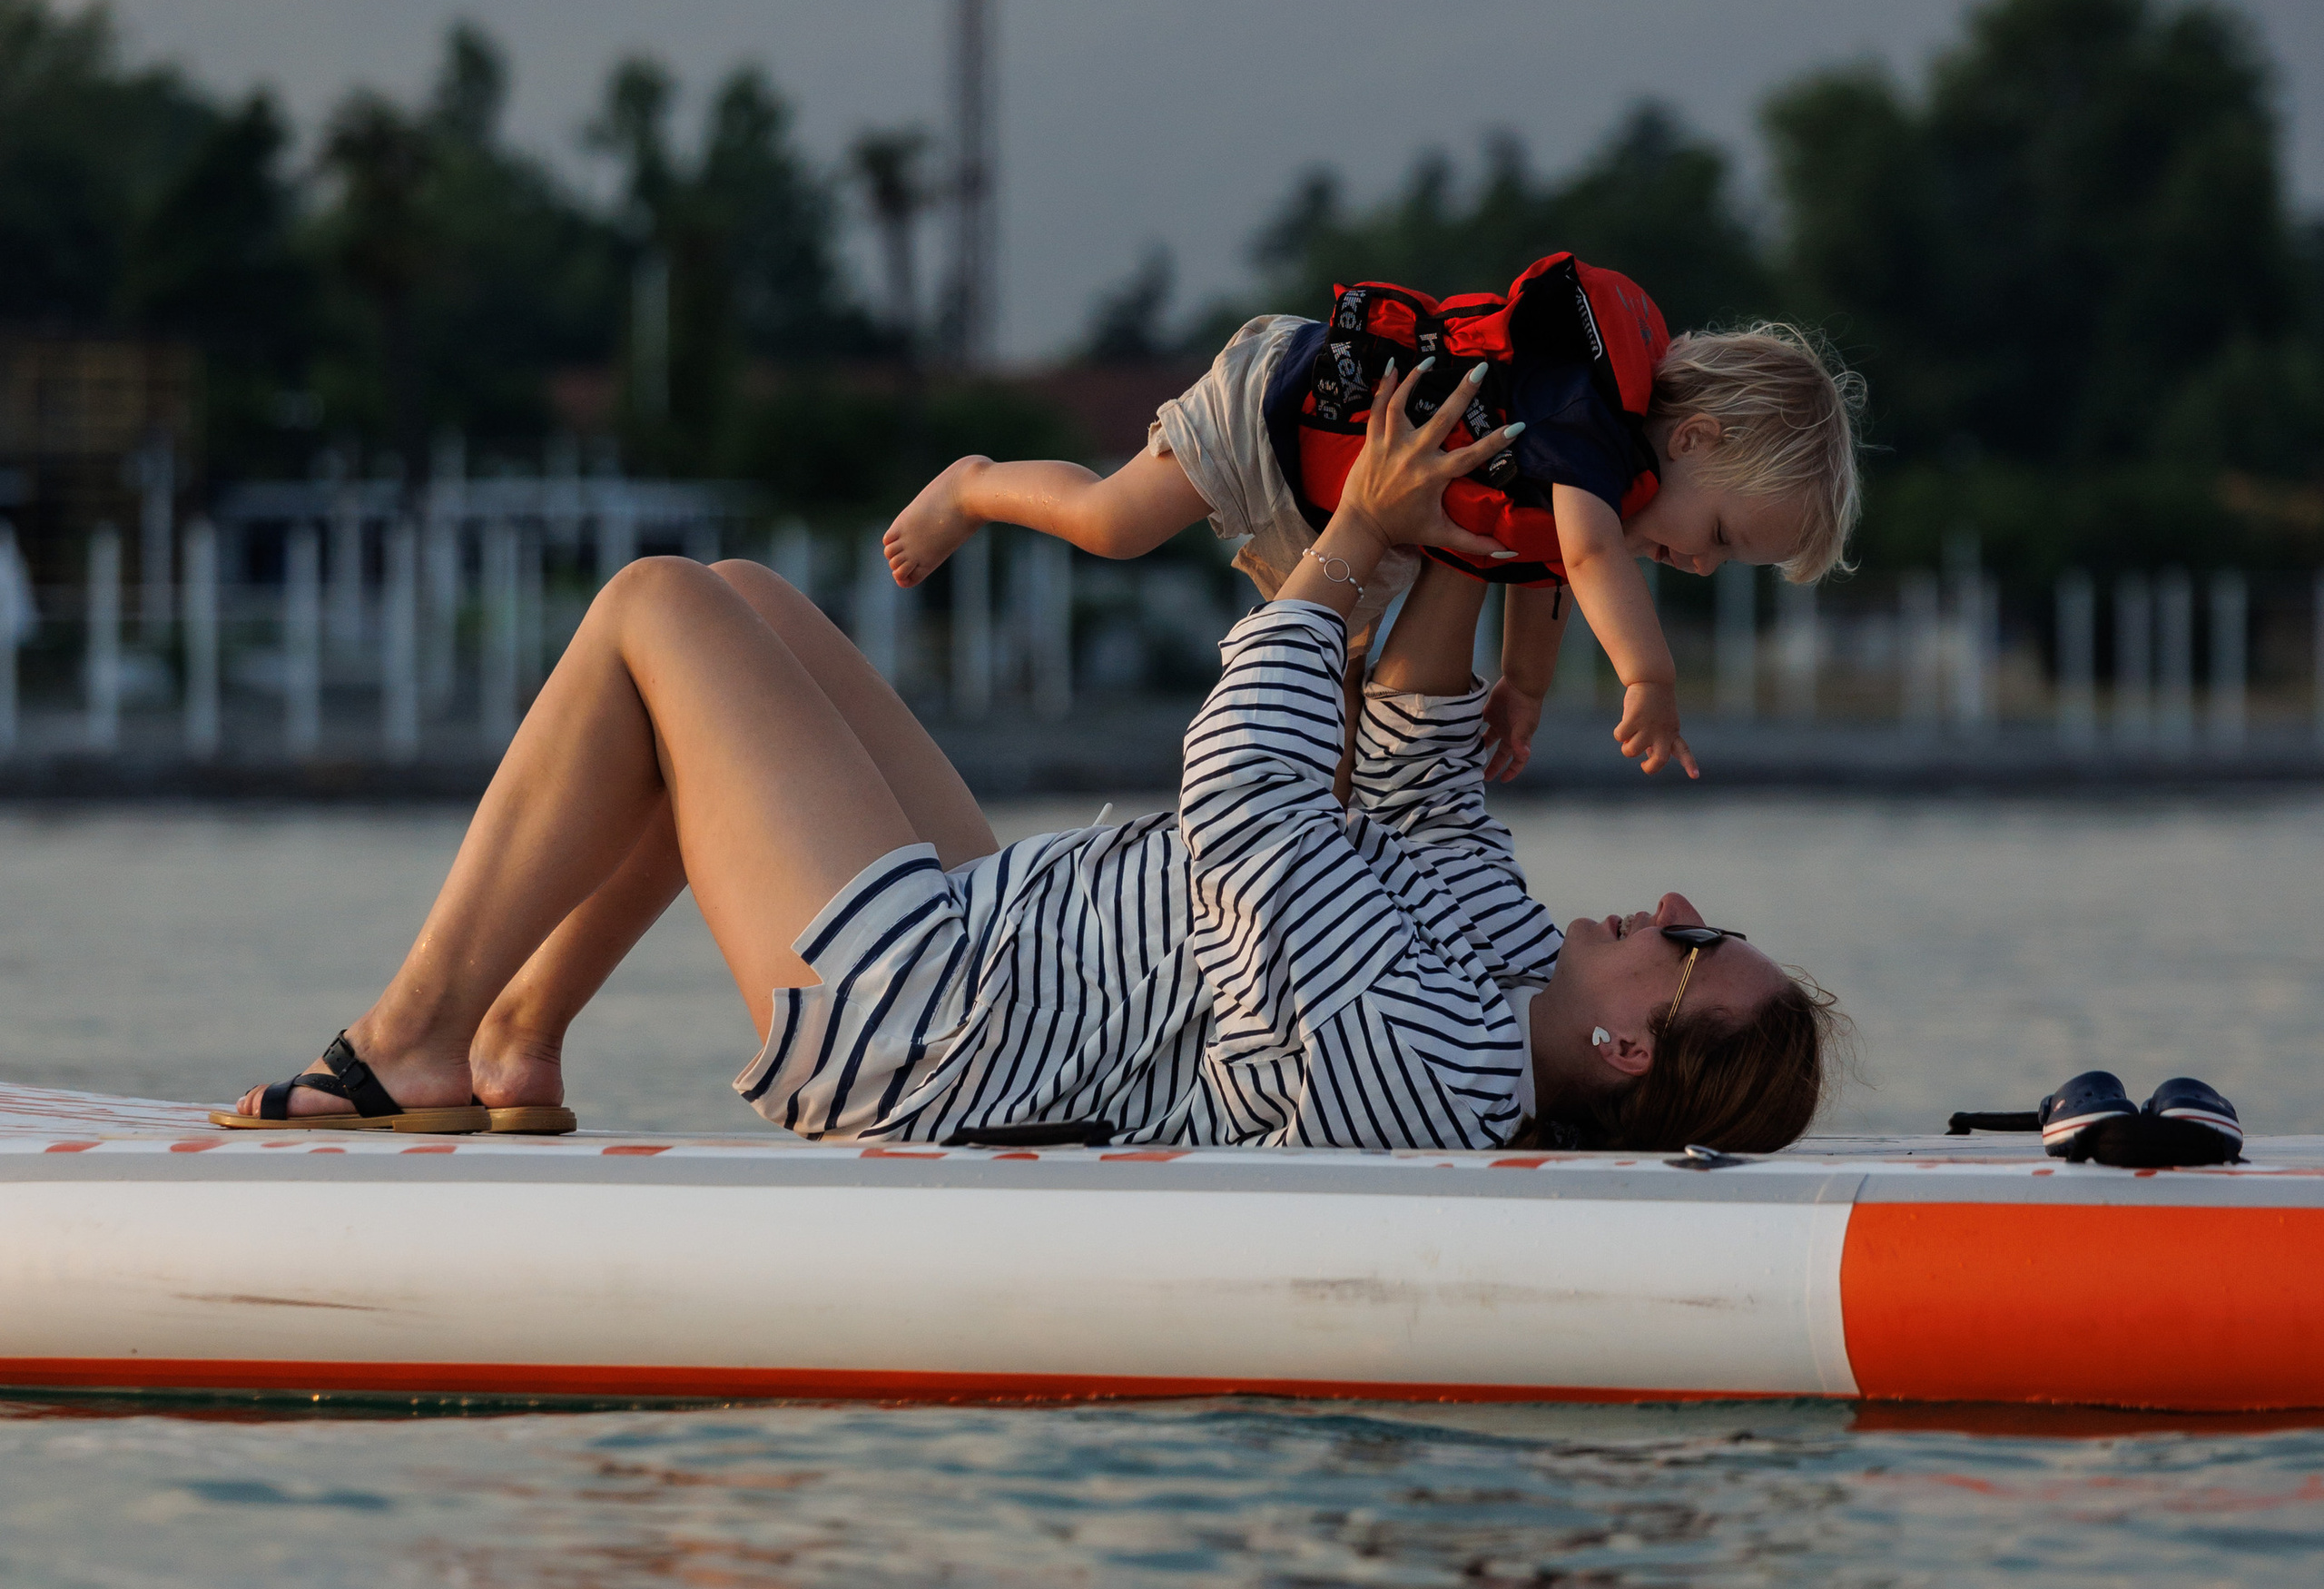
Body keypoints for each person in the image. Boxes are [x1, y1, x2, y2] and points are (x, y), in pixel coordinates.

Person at [216, 365, 1843, 1154]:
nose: (1672, 903)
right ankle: (514, 1045)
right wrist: (1464, 516)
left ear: (1629, 1052)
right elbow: (1415, 780)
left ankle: (411, 1040)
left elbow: (1249, 806)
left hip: (928, 1031)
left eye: (1694, 944)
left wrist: (1349, 548)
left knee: (656, 607)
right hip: (1000, 943)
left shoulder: (1428, 1072)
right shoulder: (1507, 976)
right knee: (750, 608)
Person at [883, 271, 1864, 784]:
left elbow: (1548, 574)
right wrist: (1649, 679)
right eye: (1721, 535)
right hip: (1279, 409)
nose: (1701, 566)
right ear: (1691, 438)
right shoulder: (1587, 425)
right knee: (1114, 522)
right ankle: (974, 487)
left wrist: (1522, 689)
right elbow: (1586, 554)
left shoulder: (1600, 488)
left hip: (1365, 516)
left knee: (1335, 727)